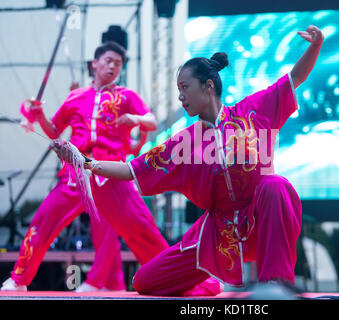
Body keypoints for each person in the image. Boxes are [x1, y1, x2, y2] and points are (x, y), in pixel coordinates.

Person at [54, 25, 324, 296]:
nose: (180, 97)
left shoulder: (252, 111)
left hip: (261, 219)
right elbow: (130, 170)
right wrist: (85, 162)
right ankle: (207, 287)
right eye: (178, 90)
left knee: (274, 185)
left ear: (208, 86)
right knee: (144, 282)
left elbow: (295, 77)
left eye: (185, 88)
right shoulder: (184, 143)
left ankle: (275, 289)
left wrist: (315, 45)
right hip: (217, 232)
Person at [1, 41, 170, 292]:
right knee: (43, 220)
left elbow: (151, 121)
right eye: (109, 60)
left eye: (118, 63)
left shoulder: (127, 96)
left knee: (137, 228)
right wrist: (40, 117)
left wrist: (135, 118)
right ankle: (19, 278)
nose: (113, 65)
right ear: (95, 64)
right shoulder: (76, 97)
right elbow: (55, 131)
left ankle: (170, 277)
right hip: (75, 173)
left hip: (109, 173)